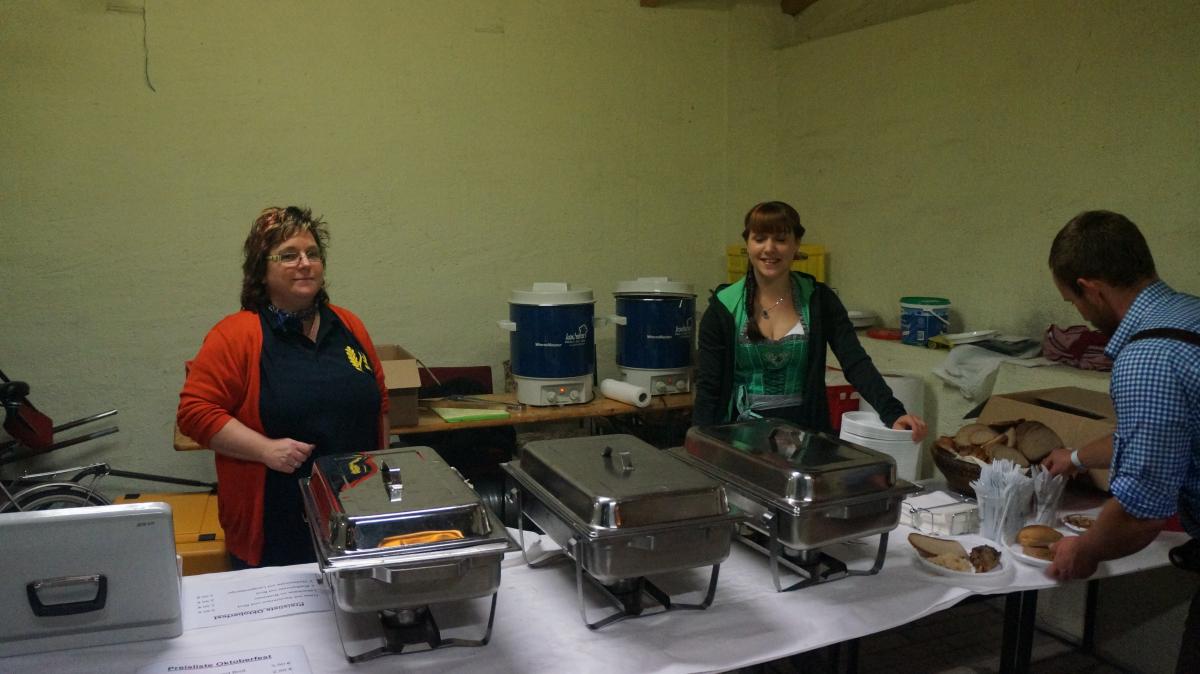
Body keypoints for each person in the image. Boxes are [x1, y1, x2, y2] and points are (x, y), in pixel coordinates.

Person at [178, 206, 388, 568]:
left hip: (356, 516)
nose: (305, 263)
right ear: (261, 270)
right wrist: (265, 450)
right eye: (288, 255)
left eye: (312, 254)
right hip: (277, 526)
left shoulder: (348, 324)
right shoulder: (236, 335)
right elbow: (194, 413)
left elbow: (379, 402)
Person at [1042, 210, 1200, 672]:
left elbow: (1140, 513)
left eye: (1073, 302)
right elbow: (1162, 432)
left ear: (1091, 289)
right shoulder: (1189, 314)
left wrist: (1084, 550)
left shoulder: (1148, 356)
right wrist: (1075, 457)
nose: (1081, 316)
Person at [693, 200, 927, 440]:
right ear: (748, 244)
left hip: (807, 437)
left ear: (796, 244)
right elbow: (709, 388)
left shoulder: (818, 299)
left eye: (781, 239)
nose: (769, 248)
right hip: (738, 439)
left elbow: (855, 361)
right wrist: (699, 444)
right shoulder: (723, 308)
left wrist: (893, 412)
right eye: (760, 238)